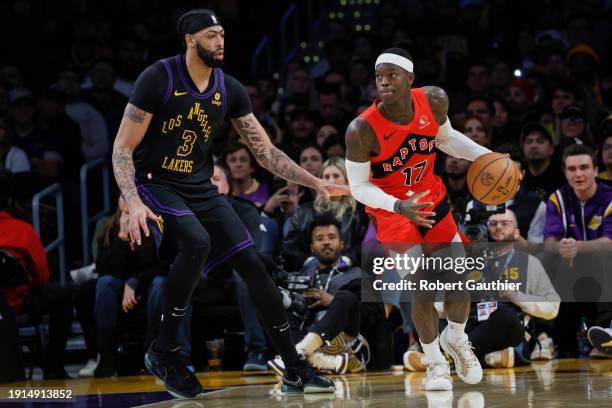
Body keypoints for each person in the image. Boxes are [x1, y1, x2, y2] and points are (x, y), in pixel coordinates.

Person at [111, 9, 347, 398]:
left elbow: (265, 151)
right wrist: (133, 201)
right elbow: (123, 147)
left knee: (253, 267)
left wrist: (315, 181)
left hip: (200, 186)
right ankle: (164, 350)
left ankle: (294, 368)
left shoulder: (230, 87)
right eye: (210, 35)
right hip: (155, 182)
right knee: (198, 242)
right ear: (190, 40)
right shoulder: (159, 77)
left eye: (221, 34)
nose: (219, 42)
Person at [345, 48, 492, 391]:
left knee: (459, 278)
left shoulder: (434, 100)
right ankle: (435, 361)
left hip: (431, 198)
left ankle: (456, 338)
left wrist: (487, 157)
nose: (384, 82)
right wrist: (398, 206)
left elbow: (447, 140)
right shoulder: (361, 129)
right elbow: (358, 187)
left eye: (392, 75)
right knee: (423, 285)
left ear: (410, 79)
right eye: (379, 76)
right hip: (391, 211)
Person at [404, 209, 560, 371]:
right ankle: (485, 358)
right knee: (423, 315)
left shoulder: (529, 262)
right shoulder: (463, 262)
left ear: (516, 232)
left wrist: (516, 296)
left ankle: (442, 359)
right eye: (493, 224)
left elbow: (553, 307)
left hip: (502, 327)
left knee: (505, 316)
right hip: (466, 327)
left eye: (505, 224)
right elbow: (440, 309)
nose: (498, 227)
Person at [270, 216, 385, 374]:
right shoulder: (302, 277)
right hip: (315, 343)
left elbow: (377, 318)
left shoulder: (359, 275)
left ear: (341, 244)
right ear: (312, 247)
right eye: (320, 238)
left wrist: (333, 301)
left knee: (345, 297)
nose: (326, 242)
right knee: (280, 304)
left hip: (350, 342)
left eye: (332, 237)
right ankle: (316, 360)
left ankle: (296, 356)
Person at [0, 170, 73, 379]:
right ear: (9, 200)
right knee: (63, 295)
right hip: (18, 303)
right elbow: (42, 277)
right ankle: (53, 367)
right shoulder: (23, 231)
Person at [543, 144, 612, 356]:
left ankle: (608, 329)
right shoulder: (558, 198)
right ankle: (548, 339)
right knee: (545, 260)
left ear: (595, 169)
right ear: (564, 171)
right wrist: (561, 246)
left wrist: (577, 246)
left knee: (604, 257)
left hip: (604, 267)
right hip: (571, 269)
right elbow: (549, 242)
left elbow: (610, 242)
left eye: (584, 167)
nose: (578, 174)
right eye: (572, 169)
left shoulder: (609, 197)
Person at [283, 157, 368, 271]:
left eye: (336, 176)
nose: (331, 181)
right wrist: (309, 260)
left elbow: (366, 244)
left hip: (350, 273)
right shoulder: (302, 212)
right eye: (326, 177)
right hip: (309, 273)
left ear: (347, 180)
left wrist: (348, 258)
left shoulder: (360, 212)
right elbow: (289, 247)